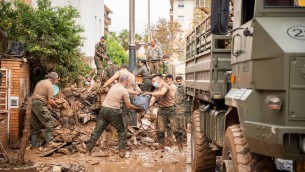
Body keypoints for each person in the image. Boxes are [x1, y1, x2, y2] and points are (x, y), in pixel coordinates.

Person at [86, 75, 140, 158]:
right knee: (122, 130)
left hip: (104, 110)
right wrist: (137, 108)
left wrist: (137, 93)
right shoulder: (124, 92)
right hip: (113, 111)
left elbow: (127, 90)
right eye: (128, 81)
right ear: (126, 81)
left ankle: (88, 151)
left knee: (97, 131)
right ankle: (122, 152)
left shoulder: (115, 86)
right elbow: (128, 106)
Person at [144, 74, 183, 152]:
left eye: (153, 81)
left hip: (171, 109)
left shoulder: (165, 85)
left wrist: (148, 92)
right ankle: (161, 148)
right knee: (160, 131)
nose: (152, 83)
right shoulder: (155, 91)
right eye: (152, 82)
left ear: (159, 79)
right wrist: (143, 107)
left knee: (175, 130)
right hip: (161, 110)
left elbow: (162, 93)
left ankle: (180, 148)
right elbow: (151, 102)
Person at [30, 72, 61, 148]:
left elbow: (41, 95)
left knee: (35, 126)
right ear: (54, 79)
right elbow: (50, 101)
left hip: (33, 103)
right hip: (39, 104)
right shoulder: (50, 86)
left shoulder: (41, 82)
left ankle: (33, 146)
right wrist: (57, 106)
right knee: (49, 122)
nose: (57, 80)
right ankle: (50, 143)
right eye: (57, 79)